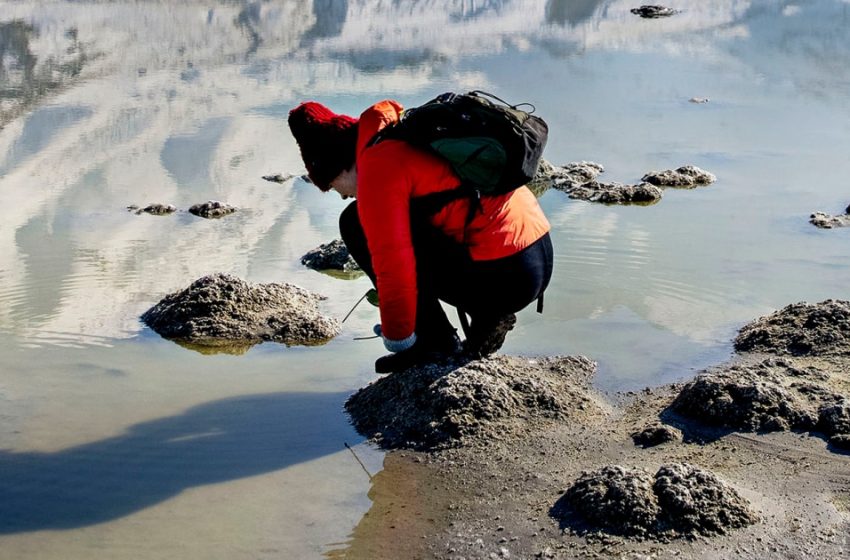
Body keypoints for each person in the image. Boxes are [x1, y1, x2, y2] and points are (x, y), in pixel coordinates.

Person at [288, 98, 553, 373]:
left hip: (506, 275)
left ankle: (433, 343)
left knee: (354, 223)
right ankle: (486, 317)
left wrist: (399, 338)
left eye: (332, 186)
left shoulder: (379, 166)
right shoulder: (403, 133)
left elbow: (393, 267)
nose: (343, 195)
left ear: (339, 165)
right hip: (535, 254)